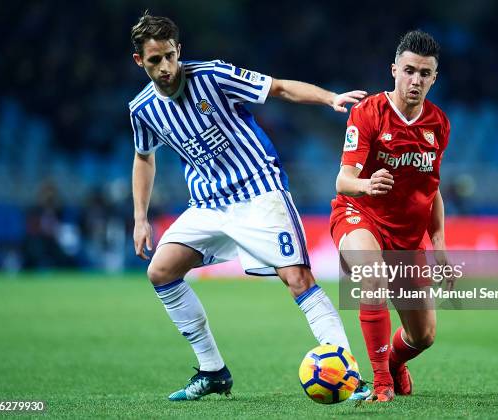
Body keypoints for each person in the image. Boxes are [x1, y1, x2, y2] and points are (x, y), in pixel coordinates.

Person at [128, 12, 367, 401]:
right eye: (155, 60)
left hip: (259, 191)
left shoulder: (212, 75)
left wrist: (330, 98)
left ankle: (349, 375)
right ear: (140, 61)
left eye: (170, 56)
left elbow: (279, 89)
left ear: (179, 50)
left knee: (298, 279)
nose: (166, 67)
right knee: (161, 271)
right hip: (208, 203)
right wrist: (140, 218)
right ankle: (213, 371)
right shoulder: (142, 109)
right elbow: (143, 158)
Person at [330, 30, 451, 402]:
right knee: (373, 273)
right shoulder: (367, 113)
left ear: (434, 78)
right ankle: (381, 383)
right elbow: (343, 181)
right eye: (410, 70)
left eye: (425, 74)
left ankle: (396, 362)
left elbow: (433, 189)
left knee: (423, 336)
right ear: (394, 70)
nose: (416, 80)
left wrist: (440, 242)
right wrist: (367, 185)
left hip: (408, 236)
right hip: (359, 217)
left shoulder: (439, 125)